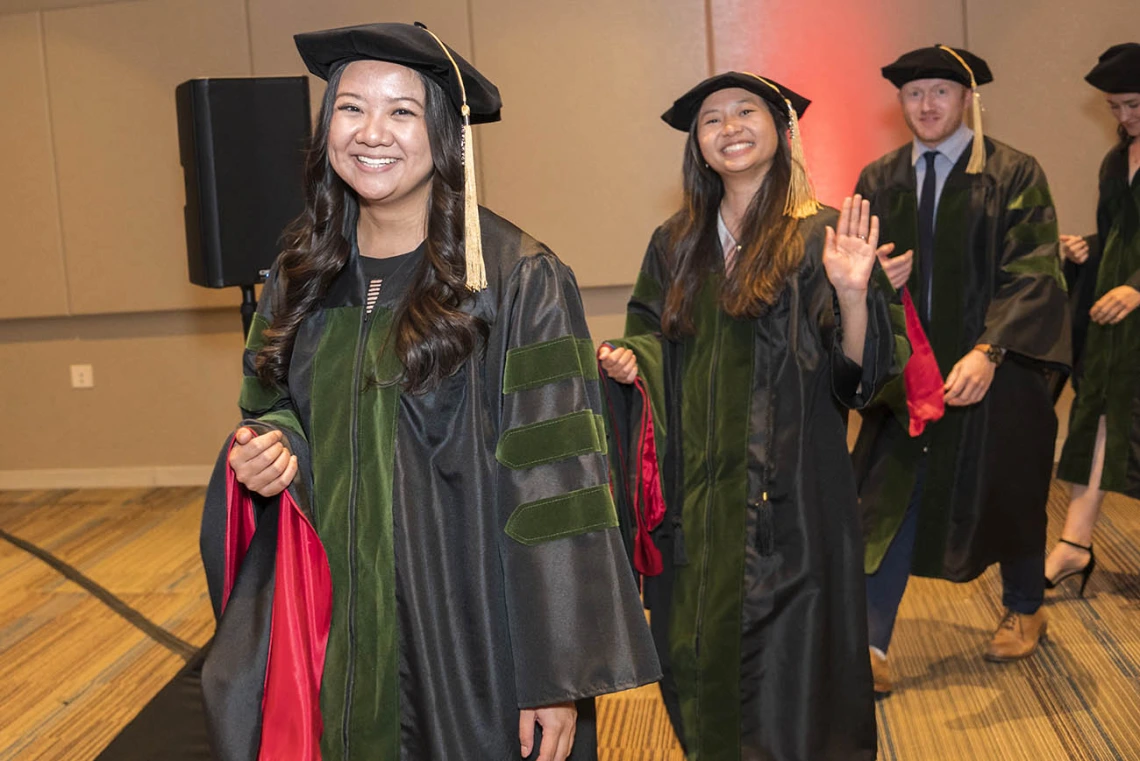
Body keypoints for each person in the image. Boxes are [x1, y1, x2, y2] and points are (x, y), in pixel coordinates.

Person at [197, 22, 660, 761]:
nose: (372, 132)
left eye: (401, 111)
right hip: (340, 638)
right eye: (350, 108)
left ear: (444, 134)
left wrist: (555, 675)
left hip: (474, 643)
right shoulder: (301, 272)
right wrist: (271, 446)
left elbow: (559, 486)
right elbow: (269, 405)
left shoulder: (516, 278)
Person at [598, 71, 897, 761]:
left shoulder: (822, 237)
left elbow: (862, 379)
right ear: (697, 146)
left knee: (793, 678)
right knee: (694, 661)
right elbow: (651, 334)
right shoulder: (673, 242)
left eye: (745, 112)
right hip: (696, 505)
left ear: (782, 130)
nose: (729, 127)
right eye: (711, 120)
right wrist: (630, 362)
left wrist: (854, 294)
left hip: (793, 501)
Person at [851, 45, 1071, 695]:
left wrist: (990, 349)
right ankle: (870, 639)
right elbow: (846, 266)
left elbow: (1034, 271)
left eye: (940, 92)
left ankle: (1026, 607)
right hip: (908, 373)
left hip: (997, 370)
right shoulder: (879, 177)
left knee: (1009, 489)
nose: (926, 105)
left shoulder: (1012, 172)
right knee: (888, 497)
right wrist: (871, 281)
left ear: (967, 96)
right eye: (914, 93)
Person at [1049, 42, 1140, 595]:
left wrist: (1138, 287)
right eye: (1115, 108)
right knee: (1098, 416)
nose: (1125, 118)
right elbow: (1119, 234)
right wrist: (1088, 247)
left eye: (1133, 104)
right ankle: (1073, 544)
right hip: (1114, 316)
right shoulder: (1116, 160)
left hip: (1132, 304)